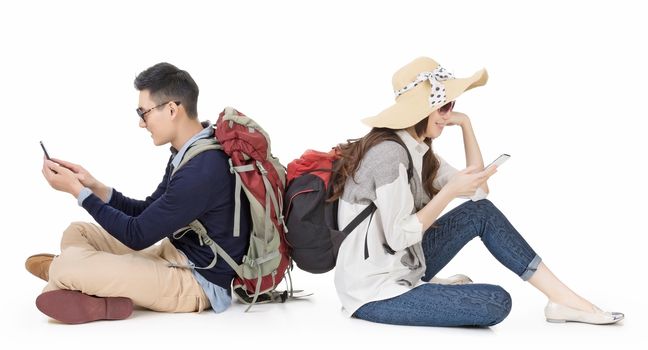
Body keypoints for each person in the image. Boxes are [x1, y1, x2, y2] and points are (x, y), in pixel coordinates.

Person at [330, 57, 624, 327]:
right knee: (496, 302)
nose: (449, 115)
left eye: (452, 106)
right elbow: (397, 236)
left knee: (479, 213)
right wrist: (448, 193)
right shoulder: (388, 155)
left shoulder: (418, 151)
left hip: (400, 264)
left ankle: (562, 299)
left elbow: (480, 191)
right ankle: (425, 289)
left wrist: (466, 125)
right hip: (372, 290)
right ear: (421, 110)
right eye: (443, 107)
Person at [28, 62, 251, 324]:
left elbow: (137, 235)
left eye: (143, 112)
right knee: (78, 232)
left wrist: (78, 193)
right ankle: (88, 283)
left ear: (171, 109)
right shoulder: (191, 152)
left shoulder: (201, 171)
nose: (141, 123)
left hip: (194, 281)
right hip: (173, 254)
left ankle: (67, 273)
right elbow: (146, 211)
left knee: (68, 266)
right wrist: (92, 186)